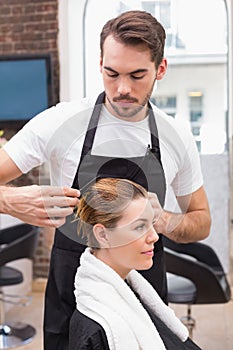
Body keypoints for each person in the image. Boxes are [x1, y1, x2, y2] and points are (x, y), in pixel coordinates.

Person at [0, 10, 211, 350]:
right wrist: (8, 200)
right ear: (100, 63)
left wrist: (165, 219)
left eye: (137, 75)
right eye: (111, 74)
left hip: (144, 288)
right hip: (72, 289)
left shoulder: (177, 137)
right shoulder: (61, 122)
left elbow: (202, 222)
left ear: (160, 69)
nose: (122, 88)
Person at [69, 177, 202, 350]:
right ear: (103, 235)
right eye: (140, 227)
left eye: (152, 223)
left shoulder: (137, 295)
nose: (154, 236)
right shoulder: (96, 331)